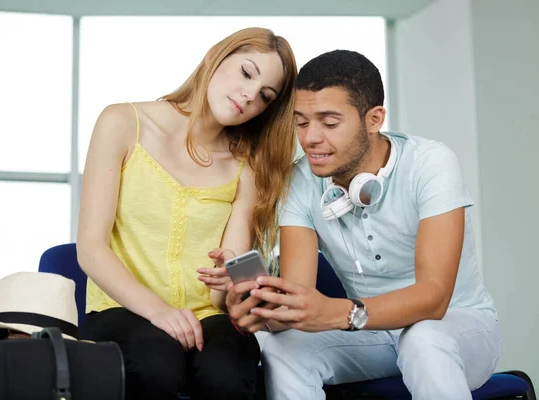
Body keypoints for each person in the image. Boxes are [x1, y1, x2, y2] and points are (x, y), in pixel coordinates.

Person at [225, 50, 501, 400]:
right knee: (282, 348)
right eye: (302, 122)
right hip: (370, 333)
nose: (310, 138)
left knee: (423, 339)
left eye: (329, 122)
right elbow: (298, 298)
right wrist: (261, 313)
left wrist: (341, 312)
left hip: (458, 326)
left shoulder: (431, 164)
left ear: (374, 119)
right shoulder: (300, 181)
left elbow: (434, 299)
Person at [76, 27, 298, 399]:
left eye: (265, 96)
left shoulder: (248, 167)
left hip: (206, 317)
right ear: (216, 56)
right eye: (246, 72)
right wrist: (159, 312)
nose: (249, 96)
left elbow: (223, 292)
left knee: (226, 373)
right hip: (122, 309)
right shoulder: (121, 122)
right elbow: (91, 249)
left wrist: (234, 281)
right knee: (155, 363)